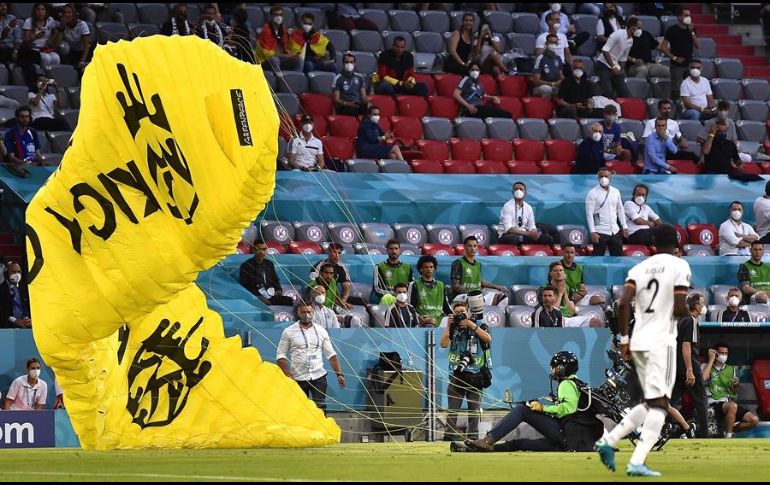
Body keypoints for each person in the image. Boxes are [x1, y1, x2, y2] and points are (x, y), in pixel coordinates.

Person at [595, 223, 691, 477]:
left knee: (654, 401)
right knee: (660, 404)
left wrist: (625, 339)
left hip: (638, 339)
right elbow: (680, 307)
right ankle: (633, 459)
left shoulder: (639, 267)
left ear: (652, 244)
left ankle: (612, 442)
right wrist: (688, 309)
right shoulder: (679, 266)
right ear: (677, 245)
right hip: (662, 340)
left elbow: (623, 304)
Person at [460, 351, 602, 452]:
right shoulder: (578, 383)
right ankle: (474, 448)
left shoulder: (566, 384)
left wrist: (543, 409)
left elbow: (568, 409)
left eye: (554, 367)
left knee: (523, 410)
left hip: (566, 435)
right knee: (519, 444)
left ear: (561, 369)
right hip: (572, 442)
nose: (552, 370)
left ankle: (488, 440)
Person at [276, 302, 345, 413]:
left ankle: (323, 430)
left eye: (309, 312)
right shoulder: (289, 331)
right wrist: (288, 375)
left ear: (313, 313)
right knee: (299, 411)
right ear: (298, 313)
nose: (306, 315)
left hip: (319, 376)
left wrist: (339, 374)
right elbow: (280, 355)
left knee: (321, 408)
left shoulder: (321, 331)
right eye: (303, 312)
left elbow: (331, 354)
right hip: (298, 378)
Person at [441, 300, 491, 440]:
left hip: (475, 373)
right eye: (457, 313)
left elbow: (488, 339)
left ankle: (473, 436)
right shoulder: (452, 327)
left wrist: (471, 325)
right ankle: (449, 435)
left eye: (462, 312)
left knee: (474, 408)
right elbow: (444, 344)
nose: (460, 315)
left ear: (468, 312)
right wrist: (448, 326)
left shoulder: (479, 325)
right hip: (457, 374)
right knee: (453, 407)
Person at [670, 292, 709, 438]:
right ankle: (705, 436)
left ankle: (654, 430)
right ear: (696, 306)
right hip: (689, 366)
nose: (704, 306)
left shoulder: (682, 319)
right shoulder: (691, 320)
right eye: (702, 303)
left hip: (678, 367)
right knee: (702, 401)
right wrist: (690, 370)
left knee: (668, 402)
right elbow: (686, 346)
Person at [701, 343, 760, 437]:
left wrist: (735, 386)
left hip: (727, 403)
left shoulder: (731, 369)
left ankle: (727, 430)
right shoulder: (705, 366)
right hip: (712, 403)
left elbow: (733, 393)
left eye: (726, 353)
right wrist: (711, 360)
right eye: (721, 353)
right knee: (732, 406)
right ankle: (729, 437)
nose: (724, 356)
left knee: (753, 420)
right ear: (715, 353)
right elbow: (703, 378)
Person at [498, 181, 557, 246]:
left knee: (548, 239)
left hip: (524, 234)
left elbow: (531, 225)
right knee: (515, 238)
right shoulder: (507, 206)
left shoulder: (528, 207)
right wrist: (528, 234)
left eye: (521, 189)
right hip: (507, 235)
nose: (518, 191)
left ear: (525, 192)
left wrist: (534, 233)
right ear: (512, 192)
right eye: (516, 189)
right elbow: (509, 229)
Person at [659, 7, 700, 100]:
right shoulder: (672, 30)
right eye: (686, 15)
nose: (688, 17)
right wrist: (674, 58)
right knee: (676, 91)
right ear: (679, 17)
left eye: (689, 15)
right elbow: (663, 47)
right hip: (677, 65)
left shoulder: (691, 29)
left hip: (689, 63)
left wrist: (692, 32)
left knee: (691, 90)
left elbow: (698, 45)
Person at [450, 236, 508, 302]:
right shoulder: (458, 263)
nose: (472, 248)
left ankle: (495, 312)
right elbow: (455, 285)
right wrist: (471, 295)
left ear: (477, 248)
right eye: (470, 246)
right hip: (462, 296)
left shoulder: (478, 264)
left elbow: (479, 281)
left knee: (502, 298)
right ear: (465, 247)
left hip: (477, 296)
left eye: (475, 246)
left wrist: (497, 287)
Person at [595, 16, 641, 98]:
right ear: (632, 27)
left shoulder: (630, 41)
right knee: (608, 92)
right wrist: (613, 67)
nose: (640, 30)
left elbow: (623, 57)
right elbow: (605, 50)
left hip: (615, 66)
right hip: (603, 64)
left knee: (624, 92)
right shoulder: (617, 34)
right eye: (639, 28)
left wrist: (622, 70)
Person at [642, 99, 699, 164]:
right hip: (657, 150)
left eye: (669, 108)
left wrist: (683, 140)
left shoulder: (674, 123)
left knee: (692, 156)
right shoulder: (650, 123)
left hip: (670, 149)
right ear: (659, 110)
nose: (667, 111)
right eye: (664, 108)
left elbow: (679, 136)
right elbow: (645, 139)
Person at [585, 168, 628, 256]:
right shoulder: (592, 193)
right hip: (600, 232)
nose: (603, 178)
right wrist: (593, 232)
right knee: (598, 259)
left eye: (606, 176)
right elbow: (589, 214)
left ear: (610, 177)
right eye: (601, 176)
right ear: (598, 178)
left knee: (618, 259)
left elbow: (620, 209)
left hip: (615, 231)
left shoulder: (616, 191)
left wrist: (624, 226)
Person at [239, 238, 293, 306]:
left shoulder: (269, 264)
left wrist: (279, 290)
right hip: (256, 297)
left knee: (289, 300)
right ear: (253, 250)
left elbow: (275, 280)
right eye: (259, 249)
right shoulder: (246, 265)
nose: (262, 252)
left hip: (270, 295)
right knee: (263, 303)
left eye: (264, 249)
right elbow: (244, 287)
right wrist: (259, 297)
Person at [408, 255, 451, 327]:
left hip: (439, 320)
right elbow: (410, 306)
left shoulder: (441, 285)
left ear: (434, 269)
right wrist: (418, 317)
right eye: (426, 267)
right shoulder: (415, 284)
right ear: (421, 269)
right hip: (423, 320)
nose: (429, 269)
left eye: (431, 267)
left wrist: (452, 314)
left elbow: (446, 305)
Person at [256, 6, 298, 73]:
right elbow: (268, 54)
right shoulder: (266, 30)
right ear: (271, 16)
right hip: (264, 60)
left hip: (279, 57)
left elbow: (286, 48)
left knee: (298, 59)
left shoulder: (283, 29)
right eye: (276, 14)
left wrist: (292, 54)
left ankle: (294, 79)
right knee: (275, 60)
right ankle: (278, 79)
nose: (279, 17)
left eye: (281, 15)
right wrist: (286, 56)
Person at [56, 3, 91, 72]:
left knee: (82, 66)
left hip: (84, 51)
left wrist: (82, 61)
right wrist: (62, 26)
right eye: (64, 13)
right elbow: (58, 43)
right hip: (73, 52)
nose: (66, 15)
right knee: (66, 63)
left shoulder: (82, 24)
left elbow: (86, 46)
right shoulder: (63, 26)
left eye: (69, 12)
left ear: (73, 14)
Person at [531, 33, 564, 99]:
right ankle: (545, 108)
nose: (553, 44)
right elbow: (536, 81)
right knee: (547, 89)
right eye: (551, 42)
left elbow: (561, 76)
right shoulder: (540, 58)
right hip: (541, 87)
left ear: (557, 44)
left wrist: (563, 81)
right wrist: (553, 84)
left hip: (555, 86)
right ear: (546, 43)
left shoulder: (558, 58)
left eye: (555, 42)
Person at [0, 262, 31, 328]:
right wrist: (15, 321)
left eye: (19, 272)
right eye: (13, 272)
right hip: (6, 328)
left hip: (26, 327)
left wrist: (29, 319)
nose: (17, 274)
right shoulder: (1, 289)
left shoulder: (26, 289)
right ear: (6, 274)